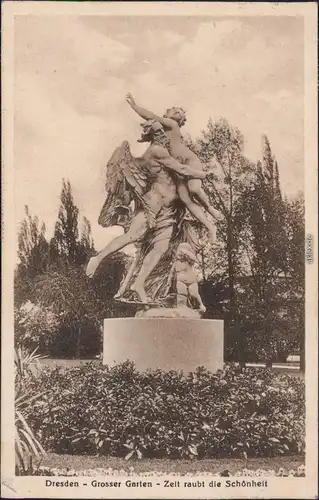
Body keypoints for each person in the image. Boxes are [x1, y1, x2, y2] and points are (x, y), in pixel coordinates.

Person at [86, 120, 206, 303]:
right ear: (156, 136)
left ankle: (139, 284)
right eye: (161, 133)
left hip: (168, 211)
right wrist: (203, 174)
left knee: (160, 248)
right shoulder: (156, 151)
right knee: (132, 236)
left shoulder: (160, 151)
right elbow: (181, 168)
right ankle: (98, 257)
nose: (165, 137)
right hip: (153, 205)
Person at [126, 92, 221, 240]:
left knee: (194, 189)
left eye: (180, 113)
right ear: (168, 112)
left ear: (180, 121)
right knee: (185, 199)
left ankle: (210, 208)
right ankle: (210, 227)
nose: (177, 113)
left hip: (190, 162)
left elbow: (151, 116)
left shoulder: (172, 124)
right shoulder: (160, 132)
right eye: (175, 110)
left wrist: (134, 106)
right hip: (178, 169)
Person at [175, 242, 206, 313]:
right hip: (181, 280)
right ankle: (181, 307)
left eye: (181, 251)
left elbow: (194, 259)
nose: (180, 253)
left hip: (191, 280)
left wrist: (185, 252)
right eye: (179, 250)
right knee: (182, 293)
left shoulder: (190, 260)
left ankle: (201, 305)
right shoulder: (177, 262)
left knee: (194, 293)